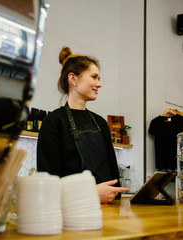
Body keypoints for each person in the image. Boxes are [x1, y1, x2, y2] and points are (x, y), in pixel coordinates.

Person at [37, 46, 130, 203]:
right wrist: (90, 193)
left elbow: (114, 176)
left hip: (108, 212)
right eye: (94, 77)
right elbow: (47, 185)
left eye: (99, 79)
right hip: (72, 213)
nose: (99, 84)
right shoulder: (53, 122)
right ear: (73, 78)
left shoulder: (100, 123)